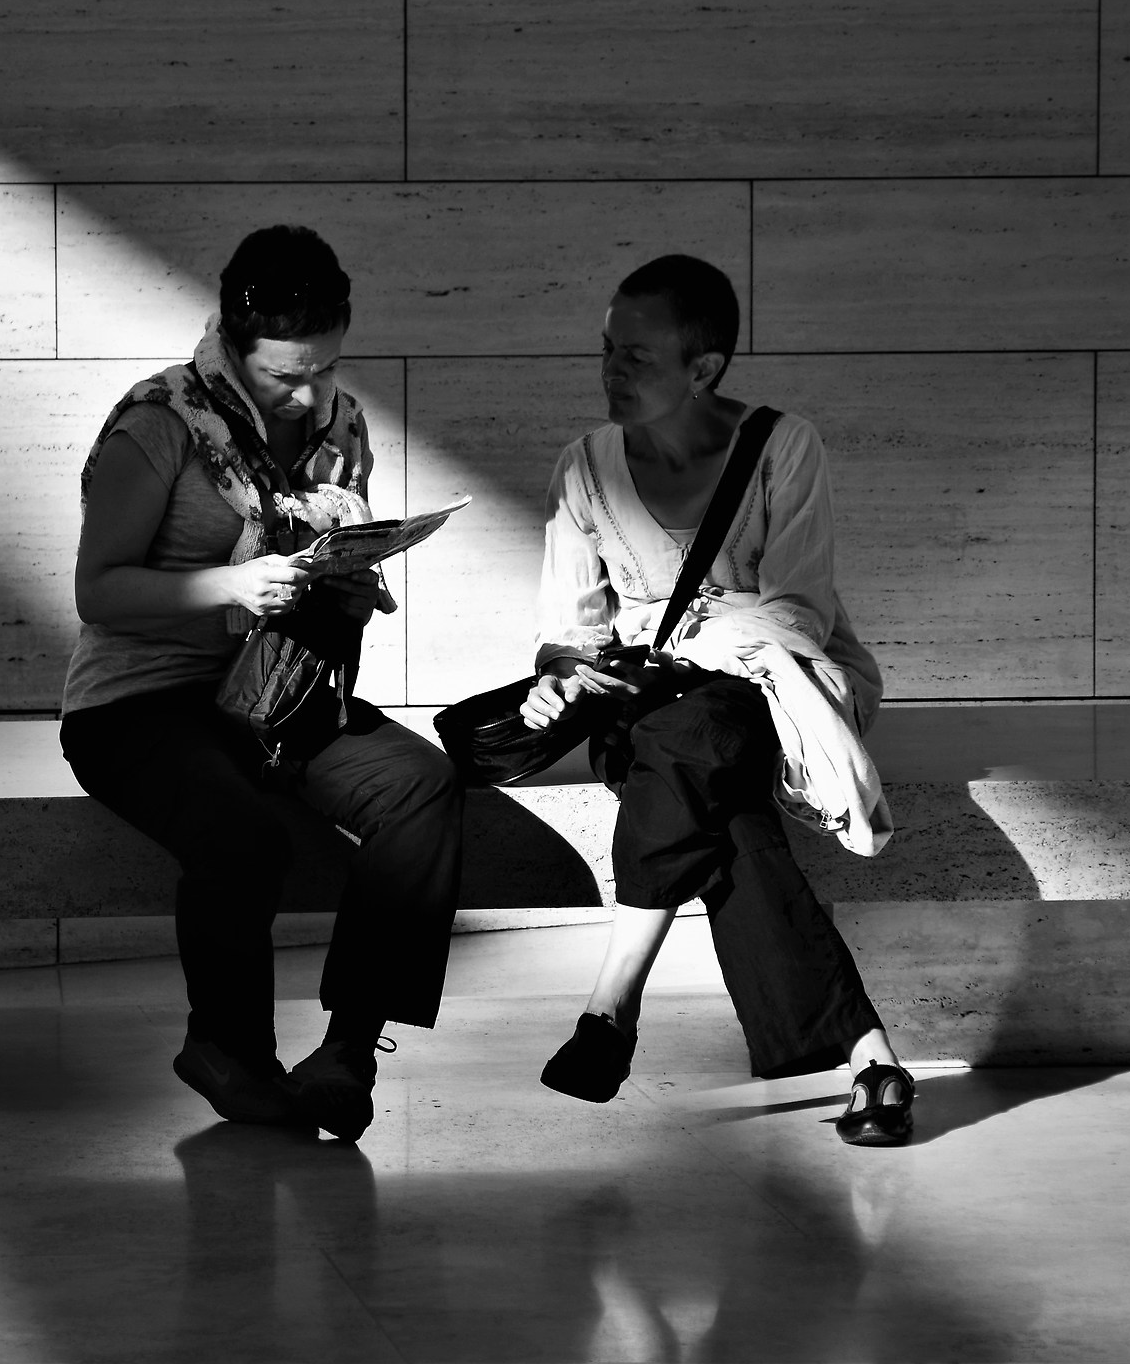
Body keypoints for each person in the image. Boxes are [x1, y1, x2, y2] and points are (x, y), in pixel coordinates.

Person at [60, 225, 463, 1144]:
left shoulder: (341, 422)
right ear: (234, 349)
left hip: (280, 688)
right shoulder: (158, 421)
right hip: (139, 703)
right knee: (243, 834)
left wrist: (355, 586)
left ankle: (348, 1053)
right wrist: (233, 586)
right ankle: (227, 1052)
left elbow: (324, 567)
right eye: (286, 377)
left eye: (326, 366)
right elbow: (99, 591)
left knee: (422, 785)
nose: (311, 393)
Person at [518, 254, 915, 1145]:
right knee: (700, 770)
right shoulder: (583, 468)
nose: (612, 374)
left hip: (774, 699)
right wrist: (560, 676)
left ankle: (613, 998)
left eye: (637, 358)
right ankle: (869, 1063)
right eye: (607, 352)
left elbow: (797, 616)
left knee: (700, 741)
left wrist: (670, 636)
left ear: (704, 370)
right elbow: (571, 630)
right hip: (648, 715)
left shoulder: (784, 447)